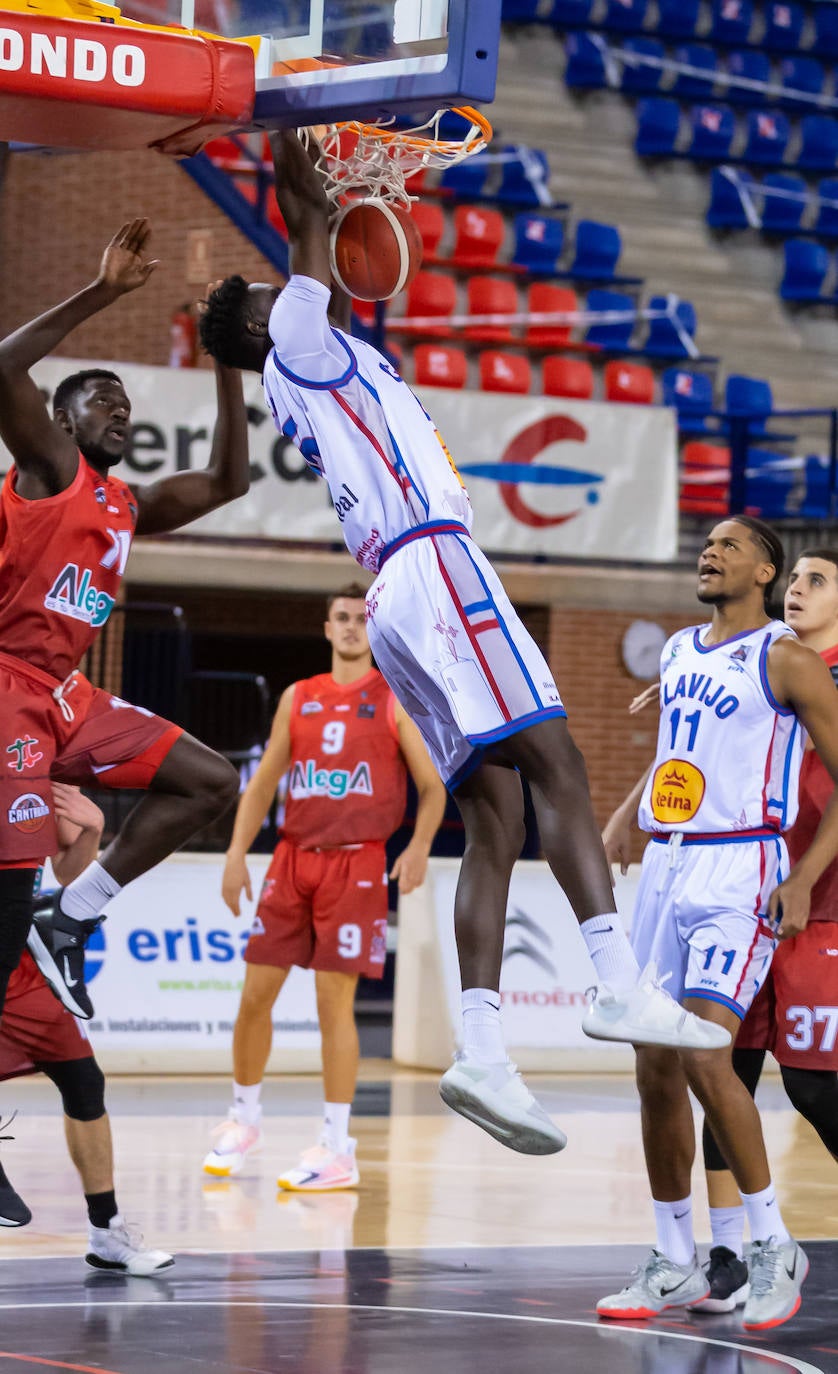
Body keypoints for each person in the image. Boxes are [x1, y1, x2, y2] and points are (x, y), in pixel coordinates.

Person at [197, 128, 728, 1159]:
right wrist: (298, 165)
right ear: (263, 323)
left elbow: (318, 257)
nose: (289, 289)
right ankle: (615, 983)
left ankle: (480, 1048)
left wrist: (315, 197)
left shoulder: (310, 367)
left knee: (493, 818)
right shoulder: (296, 338)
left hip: (400, 590)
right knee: (558, 764)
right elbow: (309, 234)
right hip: (437, 570)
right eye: (272, 293)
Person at [0, 219, 248, 1040]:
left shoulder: (126, 505)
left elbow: (226, 479)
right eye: (102, 399)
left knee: (212, 781)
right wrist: (104, 292)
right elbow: (2, 366)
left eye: (128, 404)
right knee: (5, 914)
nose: (121, 410)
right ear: (60, 423)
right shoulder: (50, 471)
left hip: (63, 695)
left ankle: (71, 917)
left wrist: (223, 357)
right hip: (6, 684)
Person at [597, 516, 838, 1332]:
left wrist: (804, 874)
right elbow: (683, 750)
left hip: (743, 866)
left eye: (731, 545)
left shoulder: (788, 658)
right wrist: (633, 811)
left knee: (707, 1054)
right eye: (706, 542)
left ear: (765, 570)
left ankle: (774, 1245)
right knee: (653, 1064)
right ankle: (674, 1259)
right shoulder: (676, 651)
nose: (711, 552)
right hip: (670, 861)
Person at [202, 582, 446, 1188]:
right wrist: (236, 854)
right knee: (254, 997)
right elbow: (261, 785)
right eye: (341, 617)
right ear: (326, 626)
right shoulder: (298, 696)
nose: (351, 627)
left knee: (331, 1006)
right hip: (290, 859)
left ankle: (338, 1146)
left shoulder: (394, 699)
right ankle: (244, 1120)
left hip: (356, 863)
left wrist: (416, 848)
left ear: (376, 629)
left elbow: (434, 786)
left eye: (362, 619)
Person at [693, 548, 838, 1314]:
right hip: (741, 900)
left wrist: (810, 876)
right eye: (796, 579)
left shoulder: (822, 676)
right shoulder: (751, 664)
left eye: (817, 581)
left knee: (817, 1085)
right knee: (722, 1073)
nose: (797, 590)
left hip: (821, 908)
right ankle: (730, 1255)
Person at [0, 784, 173, 1274]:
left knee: (83, 1081)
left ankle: (107, 1233)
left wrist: (92, 829)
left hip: (20, 959)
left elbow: (68, 878)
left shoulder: (35, 763)